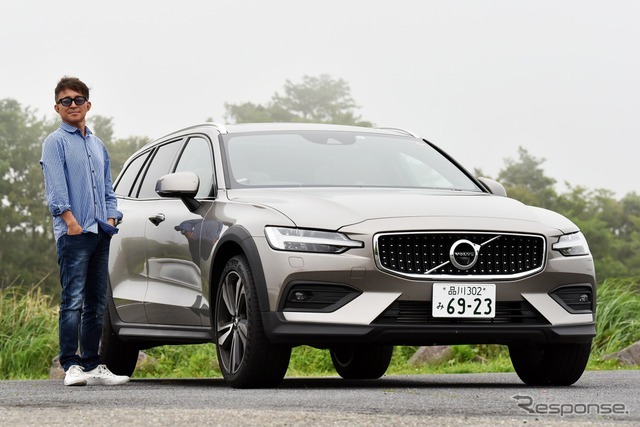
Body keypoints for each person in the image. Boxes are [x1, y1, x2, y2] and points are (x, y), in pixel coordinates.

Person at [40, 76, 129, 386]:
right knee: (73, 301)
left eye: (78, 99)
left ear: (88, 105)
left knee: (96, 302)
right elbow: (55, 188)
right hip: (74, 234)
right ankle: (71, 365)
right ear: (57, 107)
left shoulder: (97, 144)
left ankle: (92, 364)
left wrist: (111, 220)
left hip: (100, 232)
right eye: (66, 100)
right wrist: (71, 222)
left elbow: (107, 189)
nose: (73, 105)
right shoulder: (55, 142)